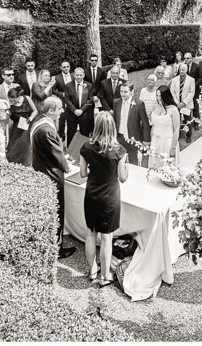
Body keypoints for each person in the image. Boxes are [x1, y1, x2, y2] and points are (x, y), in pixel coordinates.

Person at [80, 112, 129, 287]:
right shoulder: (119, 151)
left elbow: (83, 173)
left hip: (92, 194)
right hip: (110, 197)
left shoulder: (86, 147)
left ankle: (92, 270)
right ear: (113, 127)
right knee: (107, 238)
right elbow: (122, 178)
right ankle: (104, 276)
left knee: (90, 233)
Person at [30, 96, 76, 259]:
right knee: (57, 211)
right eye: (60, 108)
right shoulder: (47, 130)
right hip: (51, 175)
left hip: (41, 168)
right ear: (51, 111)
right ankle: (57, 247)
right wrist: (67, 165)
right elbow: (57, 155)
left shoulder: (39, 121)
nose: (62, 111)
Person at [114, 83, 150, 165]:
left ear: (131, 92)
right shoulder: (116, 102)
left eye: (125, 92)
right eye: (121, 91)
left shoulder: (139, 104)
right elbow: (115, 120)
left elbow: (145, 122)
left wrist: (146, 140)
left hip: (134, 138)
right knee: (120, 161)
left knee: (134, 161)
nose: (122, 94)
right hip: (120, 137)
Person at [149, 86, 181, 169]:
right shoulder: (156, 106)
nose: (158, 98)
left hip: (167, 142)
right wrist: (152, 140)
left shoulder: (173, 109)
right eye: (157, 95)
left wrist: (173, 148)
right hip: (155, 141)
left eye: (160, 96)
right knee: (155, 166)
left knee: (167, 167)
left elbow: (176, 129)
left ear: (166, 96)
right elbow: (154, 125)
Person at [6, 86, 37, 165]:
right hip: (16, 128)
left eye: (14, 101)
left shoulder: (26, 99)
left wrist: (30, 118)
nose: (12, 102)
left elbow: (35, 111)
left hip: (27, 124)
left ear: (18, 97)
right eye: (10, 101)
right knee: (14, 145)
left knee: (27, 145)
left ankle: (27, 162)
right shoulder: (9, 104)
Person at [64, 67, 94, 145]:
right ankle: (70, 153)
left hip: (84, 114)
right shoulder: (68, 85)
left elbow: (90, 100)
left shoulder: (89, 85)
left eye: (80, 75)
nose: (79, 77)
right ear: (74, 75)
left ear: (83, 75)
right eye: (77, 75)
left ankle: (84, 153)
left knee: (84, 135)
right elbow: (67, 99)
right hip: (72, 114)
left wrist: (82, 110)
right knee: (71, 135)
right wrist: (74, 110)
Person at [170, 63, 195, 141]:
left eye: (183, 70)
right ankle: (177, 134)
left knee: (188, 120)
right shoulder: (174, 80)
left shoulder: (191, 80)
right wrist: (177, 103)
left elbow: (191, 92)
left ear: (186, 70)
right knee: (176, 120)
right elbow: (172, 91)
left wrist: (184, 102)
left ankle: (188, 135)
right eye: (180, 70)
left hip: (186, 104)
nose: (181, 71)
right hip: (177, 104)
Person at [52, 61, 73, 135]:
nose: (66, 68)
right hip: (62, 101)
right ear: (61, 68)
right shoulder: (57, 78)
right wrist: (62, 94)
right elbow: (53, 90)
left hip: (72, 100)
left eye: (67, 66)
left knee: (72, 117)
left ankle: (71, 132)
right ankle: (61, 134)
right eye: (64, 67)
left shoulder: (73, 76)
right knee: (62, 117)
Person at [183, 52, 202, 127]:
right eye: (185, 58)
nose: (186, 60)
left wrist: (194, 85)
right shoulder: (183, 66)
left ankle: (196, 123)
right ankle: (187, 121)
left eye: (188, 58)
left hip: (195, 90)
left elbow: (201, 77)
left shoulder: (197, 66)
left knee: (195, 107)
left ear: (191, 58)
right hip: (185, 91)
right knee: (186, 106)